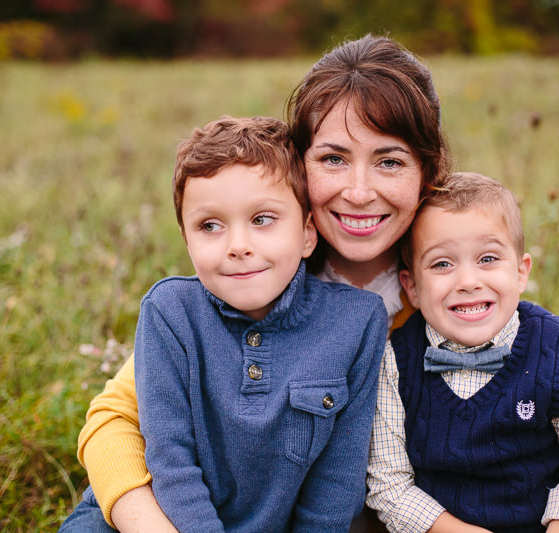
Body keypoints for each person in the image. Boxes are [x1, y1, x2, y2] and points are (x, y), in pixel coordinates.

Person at [60, 35, 559, 533]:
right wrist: (143, 516)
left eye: (388, 161)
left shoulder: (453, 287)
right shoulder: (254, 275)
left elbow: (550, 404)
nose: (359, 192)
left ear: (427, 170)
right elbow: (116, 417)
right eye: (333, 158)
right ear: (297, 170)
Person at [63, 115, 389, 532]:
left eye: (262, 220)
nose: (237, 247)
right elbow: (170, 461)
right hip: (165, 516)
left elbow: (339, 476)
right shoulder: (169, 312)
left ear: (308, 234)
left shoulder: (357, 322)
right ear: (187, 240)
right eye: (210, 226)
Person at [367, 171, 559, 533]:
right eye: (442, 264)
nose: (469, 281)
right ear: (412, 288)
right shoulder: (395, 362)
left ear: (520, 272)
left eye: (487, 259)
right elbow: (390, 484)